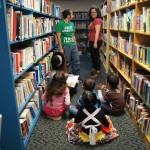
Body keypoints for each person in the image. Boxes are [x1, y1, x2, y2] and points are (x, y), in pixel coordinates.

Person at [56, 9, 80, 77]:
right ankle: (69, 76)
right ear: (68, 15)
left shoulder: (72, 24)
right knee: (67, 62)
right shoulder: (60, 24)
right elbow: (58, 37)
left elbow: (73, 35)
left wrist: (75, 45)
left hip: (73, 45)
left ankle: (77, 76)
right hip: (65, 46)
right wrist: (61, 48)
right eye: (72, 14)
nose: (73, 15)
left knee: (77, 61)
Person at [88, 5, 103, 78]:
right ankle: (94, 69)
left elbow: (97, 32)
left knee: (96, 56)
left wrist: (95, 42)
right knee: (93, 56)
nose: (93, 13)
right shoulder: (94, 20)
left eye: (94, 12)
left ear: (97, 12)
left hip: (95, 41)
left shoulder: (97, 20)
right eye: (91, 12)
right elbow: (90, 29)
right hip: (92, 40)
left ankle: (98, 72)